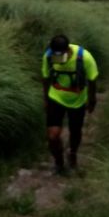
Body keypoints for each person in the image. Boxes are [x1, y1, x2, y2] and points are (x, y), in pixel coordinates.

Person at [42, 33, 98, 175]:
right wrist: (46, 99)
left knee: (75, 131)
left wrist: (92, 100)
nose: (59, 60)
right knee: (52, 136)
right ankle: (59, 163)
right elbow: (46, 77)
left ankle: (72, 154)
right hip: (56, 97)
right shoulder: (49, 57)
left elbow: (92, 80)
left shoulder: (84, 57)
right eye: (56, 56)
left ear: (68, 50)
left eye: (61, 56)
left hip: (77, 100)